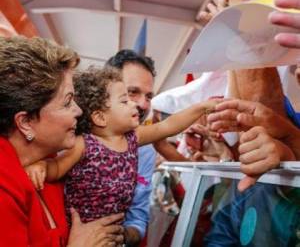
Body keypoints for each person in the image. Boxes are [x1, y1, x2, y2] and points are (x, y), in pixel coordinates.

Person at [26, 67, 218, 242]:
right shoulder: (83, 144)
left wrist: (200, 108)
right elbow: (58, 167)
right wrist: (41, 166)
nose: (134, 105)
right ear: (100, 117)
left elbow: (167, 126)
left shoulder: (133, 138)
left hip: (112, 234)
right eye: (124, 101)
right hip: (82, 233)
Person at [0, 36, 125, 247]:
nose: (79, 110)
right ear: (26, 122)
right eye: (67, 102)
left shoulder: (49, 162)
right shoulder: (4, 190)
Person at [106, 49, 157, 245]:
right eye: (133, 92)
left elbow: (138, 218)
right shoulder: (73, 135)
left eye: (149, 96)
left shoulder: (144, 150)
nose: (144, 105)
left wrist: (118, 236)